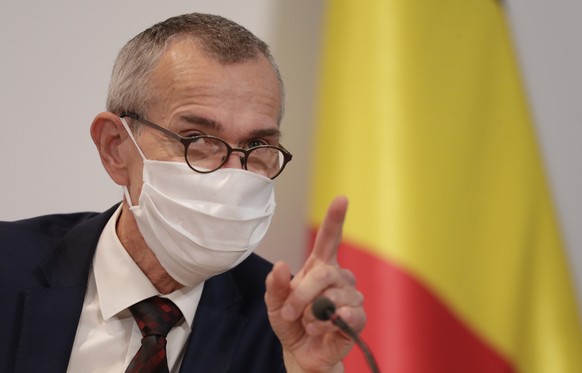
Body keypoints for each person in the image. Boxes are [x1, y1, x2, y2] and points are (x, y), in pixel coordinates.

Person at [0, 13, 365, 373]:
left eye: (257, 143)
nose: (233, 175)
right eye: (197, 139)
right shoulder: (8, 265)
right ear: (115, 147)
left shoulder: (285, 326)